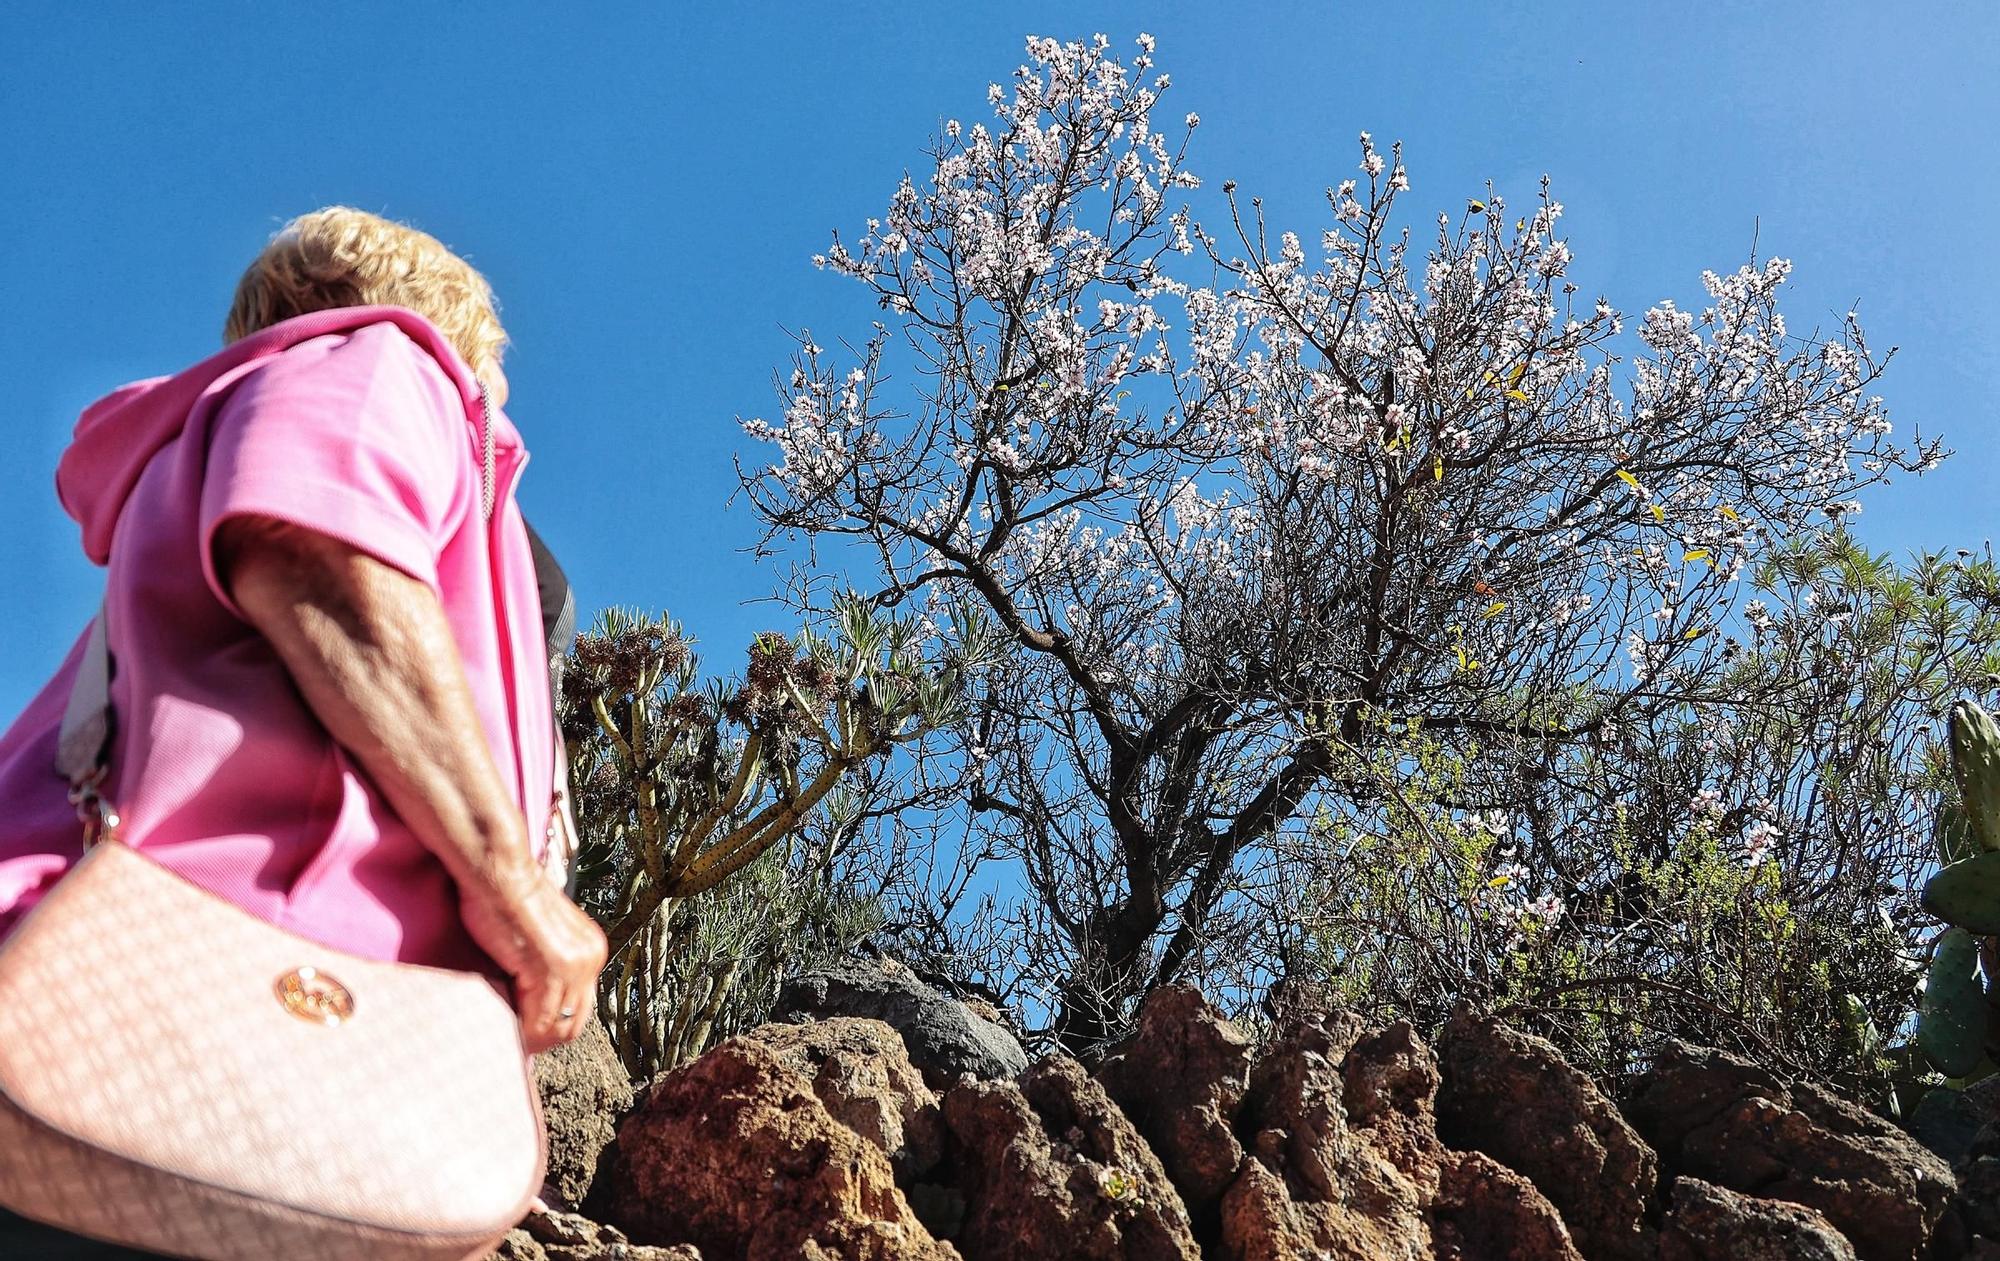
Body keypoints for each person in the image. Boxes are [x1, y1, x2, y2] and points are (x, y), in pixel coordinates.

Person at [0, 207, 607, 1255]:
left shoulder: (208, 435)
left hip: (106, 991)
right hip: (204, 1012)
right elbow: (322, 558)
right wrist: (513, 885)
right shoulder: (380, 358)